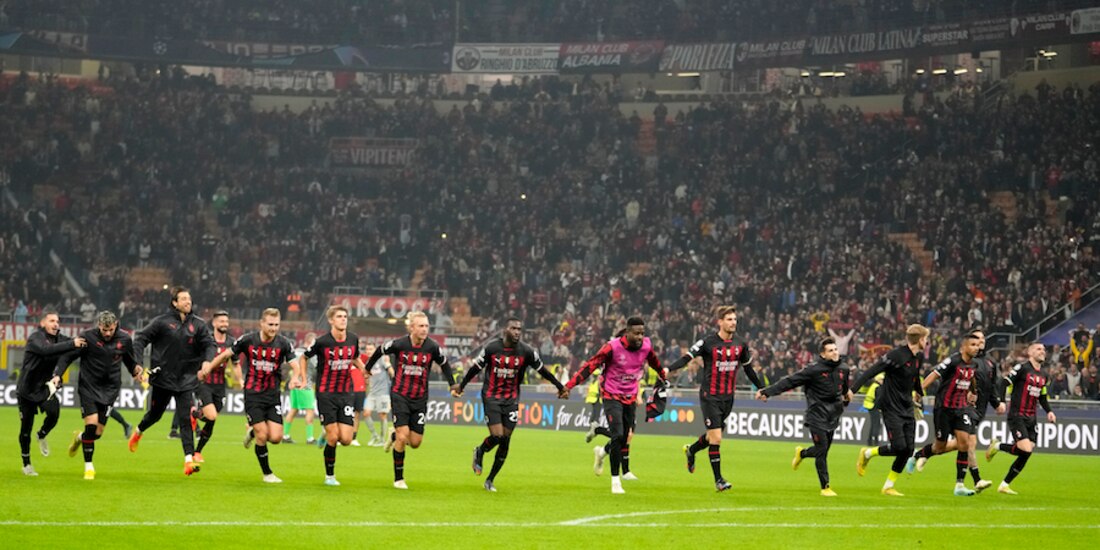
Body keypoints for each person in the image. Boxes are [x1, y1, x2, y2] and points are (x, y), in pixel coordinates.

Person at [558, 317, 667, 494]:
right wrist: (569, 386)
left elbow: (654, 361)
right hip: (610, 394)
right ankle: (616, 481)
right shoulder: (612, 347)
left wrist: (662, 374)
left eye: (642, 333)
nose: (640, 337)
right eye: (637, 333)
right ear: (627, 332)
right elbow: (590, 366)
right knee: (617, 435)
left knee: (625, 437)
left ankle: (601, 453)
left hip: (630, 396)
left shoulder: (646, 346)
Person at [457, 317, 565, 492]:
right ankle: (480, 450)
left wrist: (560, 387)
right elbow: (475, 368)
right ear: (504, 330)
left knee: (506, 440)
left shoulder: (526, 351)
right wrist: (461, 386)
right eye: (513, 328)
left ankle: (490, 480)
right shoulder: (492, 348)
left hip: (512, 399)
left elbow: (542, 370)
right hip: (491, 396)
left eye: (519, 329)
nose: (517, 332)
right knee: (498, 436)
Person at [667, 305, 762, 492]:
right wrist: (668, 369)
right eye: (729, 319)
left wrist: (762, 388)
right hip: (710, 396)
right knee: (717, 438)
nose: (733, 322)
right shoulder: (707, 343)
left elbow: (748, 369)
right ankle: (719, 480)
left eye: (735, 319)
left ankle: (691, 450)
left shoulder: (741, 344)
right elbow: (687, 358)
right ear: (720, 322)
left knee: (712, 436)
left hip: (728, 397)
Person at [363, 311, 459, 489]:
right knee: (403, 436)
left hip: (420, 398)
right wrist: (367, 369)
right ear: (412, 327)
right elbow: (380, 350)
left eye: (426, 326)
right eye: (421, 326)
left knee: (415, 442)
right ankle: (398, 479)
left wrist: (452, 385)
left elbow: (444, 363)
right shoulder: (399, 344)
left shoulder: (432, 347)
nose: (424, 329)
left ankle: (393, 435)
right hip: (400, 395)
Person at [128, 287, 217, 476]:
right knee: (155, 415)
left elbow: (210, 344)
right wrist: (136, 364)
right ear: (174, 303)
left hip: (186, 379)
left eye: (189, 298)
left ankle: (188, 461)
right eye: (183, 298)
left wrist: (207, 362)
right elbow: (140, 339)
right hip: (163, 378)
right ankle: (138, 432)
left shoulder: (198, 324)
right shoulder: (161, 322)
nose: (188, 301)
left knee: (186, 419)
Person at [200, 308, 296, 483]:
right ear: (262, 323)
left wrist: (298, 376)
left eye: (276, 325)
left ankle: (251, 433)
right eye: (270, 324)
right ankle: (267, 473)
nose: (274, 328)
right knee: (262, 435)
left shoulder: (283, 343)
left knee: (275, 438)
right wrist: (208, 367)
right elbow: (225, 355)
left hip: (273, 395)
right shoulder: (248, 340)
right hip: (253, 394)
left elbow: (294, 362)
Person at [756, 337, 850, 496]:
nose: (835, 353)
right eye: (830, 350)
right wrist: (767, 392)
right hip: (816, 414)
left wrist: (847, 396)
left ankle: (802, 453)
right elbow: (790, 382)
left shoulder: (844, 368)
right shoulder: (813, 370)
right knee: (821, 451)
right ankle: (825, 487)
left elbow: (844, 387)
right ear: (823, 354)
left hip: (833, 414)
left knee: (823, 450)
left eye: (835, 349)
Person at [53, 311, 142, 479]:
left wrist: (136, 371)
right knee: (91, 425)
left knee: (97, 434)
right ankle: (89, 467)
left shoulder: (124, 339)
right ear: (98, 326)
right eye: (104, 330)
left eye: (110, 330)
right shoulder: (87, 337)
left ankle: (80, 438)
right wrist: (58, 374)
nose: (107, 333)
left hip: (110, 389)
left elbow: (130, 362)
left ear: (116, 325)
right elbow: (68, 356)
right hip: (88, 387)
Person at [909, 329, 1004, 475]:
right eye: (975, 341)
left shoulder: (989, 363)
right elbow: (937, 374)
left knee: (961, 444)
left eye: (981, 340)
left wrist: (993, 401)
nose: (979, 343)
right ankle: (975, 480)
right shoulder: (957, 359)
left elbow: (989, 385)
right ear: (965, 345)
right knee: (965, 443)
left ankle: (925, 455)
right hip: (954, 407)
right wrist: (919, 391)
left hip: (975, 408)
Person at [849, 324, 929, 496]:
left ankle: (888, 486)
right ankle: (868, 452)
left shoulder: (918, 357)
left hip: (907, 406)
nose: (927, 342)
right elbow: (871, 371)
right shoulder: (895, 355)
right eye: (926, 339)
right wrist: (852, 390)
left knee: (908, 450)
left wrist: (919, 395)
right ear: (921, 339)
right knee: (899, 446)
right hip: (890, 406)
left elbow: (914, 378)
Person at [294, 305, 367, 486]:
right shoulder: (322, 342)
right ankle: (330, 476)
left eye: (345, 316)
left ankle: (325, 434)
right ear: (331, 320)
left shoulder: (353, 339)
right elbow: (303, 357)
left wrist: (363, 369)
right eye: (340, 316)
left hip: (346, 393)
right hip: (326, 394)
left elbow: (354, 357)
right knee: (334, 437)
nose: (343, 319)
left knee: (347, 439)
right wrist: (303, 379)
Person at [917, 331, 992, 496]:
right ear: (963, 346)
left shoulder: (975, 365)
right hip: (943, 408)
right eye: (972, 344)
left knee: (965, 443)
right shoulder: (953, 360)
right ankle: (920, 454)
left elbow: (971, 377)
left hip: (961, 408)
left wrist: (973, 391)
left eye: (977, 344)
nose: (976, 348)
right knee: (941, 445)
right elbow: (934, 375)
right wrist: (919, 390)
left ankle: (960, 485)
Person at [17, 311, 87, 476]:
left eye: (57, 321)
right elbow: (45, 350)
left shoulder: (61, 339)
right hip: (26, 390)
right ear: (43, 323)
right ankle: (26, 464)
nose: (56, 324)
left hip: (44, 388)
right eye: (52, 321)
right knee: (25, 429)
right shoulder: (35, 338)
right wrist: (72, 344)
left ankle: (41, 435)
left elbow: (78, 346)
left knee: (54, 414)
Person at [986, 342, 1057, 495]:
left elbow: (1042, 396)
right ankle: (997, 446)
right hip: (1017, 415)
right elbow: (1003, 383)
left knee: (1027, 451)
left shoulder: (1044, 375)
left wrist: (1049, 412)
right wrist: (1002, 402)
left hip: (1032, 417)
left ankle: (1004, 485)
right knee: (1025, 448)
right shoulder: (1022, 368)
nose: (1042, 351)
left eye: (1044, 349)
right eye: (1038, 349)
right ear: (1030, 353)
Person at [192, 310, 237, 463]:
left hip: (220, 386)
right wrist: (197, 371)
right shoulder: (207, 340)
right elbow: (195, 357)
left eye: (226, 321)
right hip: (205, 383)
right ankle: (196, 451)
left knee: (211, 419)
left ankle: (197, 451)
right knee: (212, 416)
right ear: (214, 323)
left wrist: (240, 381)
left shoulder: (231, 342)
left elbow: (235, 363)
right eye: (221, 321)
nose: (224, 324)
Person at [284, 334, 318, 445]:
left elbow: (288, 364)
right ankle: (310, 438)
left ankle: (285, 435)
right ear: (310, 341)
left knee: (293, 410)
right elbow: (316, 367)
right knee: (310, 410)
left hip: (294, 384)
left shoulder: (295, 351)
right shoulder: (310, 354)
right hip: (305, 384)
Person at [361, 343, 393, 447]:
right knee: (366, 413)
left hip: (383, 393)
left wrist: (389, 366)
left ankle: (382, 439)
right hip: (372, 393)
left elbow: (392, 373)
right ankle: (375, 435)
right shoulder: (367, 363)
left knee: (382, 415)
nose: (369, 351)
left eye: (371, 349)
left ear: (375, 350)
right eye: (367, 349)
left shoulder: (382, 359)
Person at [348, 351, 367, 447]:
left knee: (357, 415)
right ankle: (342, 436)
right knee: (346, 415)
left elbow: (370, 355)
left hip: (360, 390)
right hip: (348, 390)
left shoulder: (363, 360)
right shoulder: (347, 362)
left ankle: (354, 438)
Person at [862, 374, 884, 446]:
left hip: (869, 405)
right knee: (876, 424)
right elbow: (878, 399)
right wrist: (880, 408)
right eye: (882, 379)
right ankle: (876, 441)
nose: (883, 381)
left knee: (873, 424)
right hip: (874, 406)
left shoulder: (873, 385)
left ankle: (870, 441)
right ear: (878, 380)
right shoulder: (878, 387)